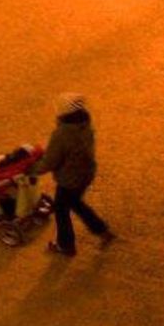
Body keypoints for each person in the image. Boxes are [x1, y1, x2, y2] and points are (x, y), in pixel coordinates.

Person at [33, 92, 112, 257]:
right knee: (76, 203)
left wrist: (34, 169)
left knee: (61, 210)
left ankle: (65, 246)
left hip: (69, 179)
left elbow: (50, 162)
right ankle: (101, 230)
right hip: (86, 173)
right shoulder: (85, 125)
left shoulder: (62, 134)